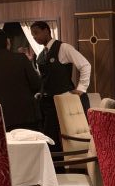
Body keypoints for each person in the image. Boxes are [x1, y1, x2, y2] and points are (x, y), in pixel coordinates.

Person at [30, 21, 91, 152]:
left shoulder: (63, 48)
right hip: (47, 102)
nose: (35, 37)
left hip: (64, 99)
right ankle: (56, 168)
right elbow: (45, 78)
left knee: (65, 135)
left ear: (46, 30)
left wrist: (81, 88)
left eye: (36, 33)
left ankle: (67, 166)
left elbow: (85, 65)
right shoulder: (40, 55)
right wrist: (40, 92)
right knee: (50, 136)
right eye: (33, 35)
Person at [0, 28, 41, 131]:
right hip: (28, 113)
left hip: (5, 116)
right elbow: (36, 84)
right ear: (8, 41)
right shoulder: (21, 58)